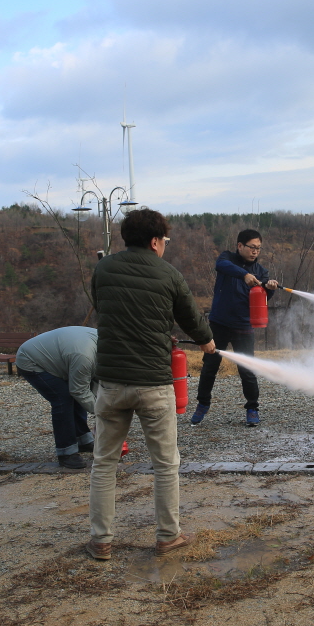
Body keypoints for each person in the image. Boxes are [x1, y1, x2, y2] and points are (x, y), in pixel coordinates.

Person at [87, 208, 215, 561]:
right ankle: (167, 536)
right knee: (165, 464)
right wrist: (207, 342)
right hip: (154, 385)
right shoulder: (169, 274)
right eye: (165, 241)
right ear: (156, 241)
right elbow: (191, 317)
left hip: (111, 383)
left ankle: (101, 541)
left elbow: (102, 306)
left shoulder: (103, 269)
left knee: (104, 463)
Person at [190, 229, 278, 428]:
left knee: (247, 369)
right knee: (210, 366)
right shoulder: (226, 258)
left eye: (258, 248)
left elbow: (261, 301)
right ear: (240, 246)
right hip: (219, 323)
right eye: (252, 247)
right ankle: (202, 404)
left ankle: (252, 408)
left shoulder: (262, 272)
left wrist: (269, 290)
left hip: (243, 326)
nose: (255, 252)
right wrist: (245, 274)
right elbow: (221, 265)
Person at [15, 326, 98, 470]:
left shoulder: (106, 346)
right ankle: (66, 452)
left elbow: (94, 383)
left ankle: (83, 441)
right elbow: (79, 390)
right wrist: (102, 413)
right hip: (31, 360)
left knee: (77, 396)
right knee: (63, 399)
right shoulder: (84, 356)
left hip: (62, 356)